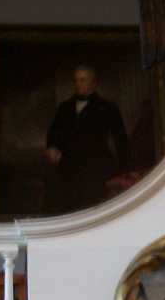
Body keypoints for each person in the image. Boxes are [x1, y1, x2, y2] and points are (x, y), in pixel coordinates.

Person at [45, 65, 131, 212]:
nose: (78, 84)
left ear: (93, 83)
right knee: (70, 211)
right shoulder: (64, 107)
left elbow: (120, 140)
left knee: (94, 210)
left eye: (82, 80)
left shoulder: (107, 107)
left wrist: (124, 170)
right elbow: (54, 133)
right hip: (69, 170)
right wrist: (52, 147)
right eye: (76, 80)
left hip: (97, 171)